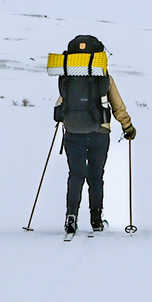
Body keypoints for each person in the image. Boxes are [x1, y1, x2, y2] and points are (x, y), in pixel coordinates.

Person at [51, 34, 135, 235]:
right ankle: (96, 220)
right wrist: (127, 126)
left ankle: (71, 217)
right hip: (100, 132)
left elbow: (60, 104)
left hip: (72, 132)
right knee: (96, 177)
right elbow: (117, 105)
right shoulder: (103, 75)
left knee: (76, 175)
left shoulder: (68, 75)